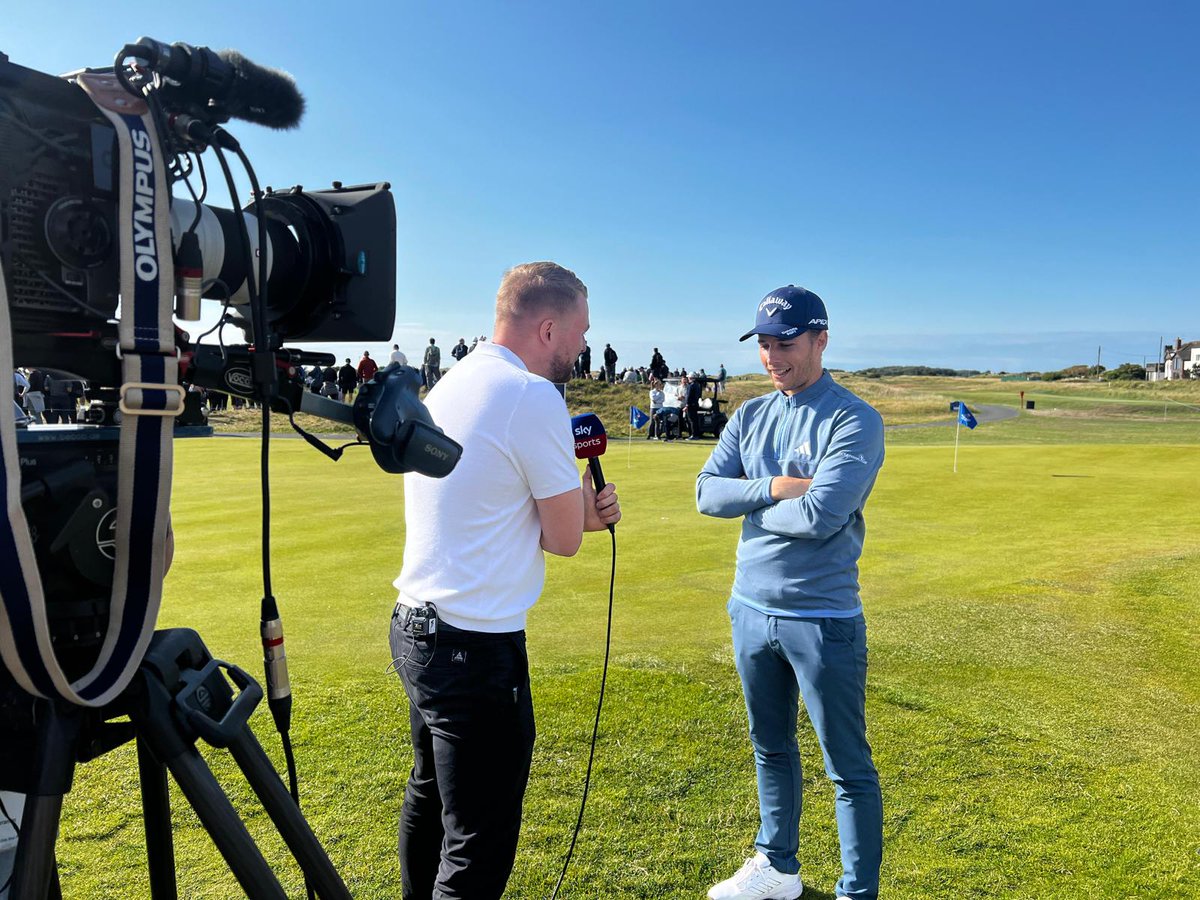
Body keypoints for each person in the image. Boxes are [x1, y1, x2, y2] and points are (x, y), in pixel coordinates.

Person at [390, 261, 621, 900]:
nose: (583, 346)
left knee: (431, 800)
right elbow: (564, 538)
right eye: (580, 331)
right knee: (478, 840)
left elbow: (511, 512)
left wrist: (574, 509)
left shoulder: (454, 380)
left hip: (416, 627)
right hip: (474, 646)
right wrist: (584, 509)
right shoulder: (532, 395)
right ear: (548, 328)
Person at [696, 285, 884, 900]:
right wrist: (773, 487)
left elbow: (822, 517)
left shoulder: (854, 419)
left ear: (821, 339)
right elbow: (706, 494)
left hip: (821, 617)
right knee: (769, 747)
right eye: (766, 345)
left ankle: (857, 891)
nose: (774, 357)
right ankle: (776, 868)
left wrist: (748, 501)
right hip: (750, 607)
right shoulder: (750, 414)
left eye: (787, 343)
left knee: (846, 768)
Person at [683, 372, 704, 439]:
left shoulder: (691, 385)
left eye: (689, 377)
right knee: (695, 420)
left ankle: (693, 435)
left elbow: (689, 396)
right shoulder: (697, 385)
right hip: (695, 405)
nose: (688, 378)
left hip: (691, 405)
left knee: (692, 420)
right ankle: (696, 434)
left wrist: (687, 405)